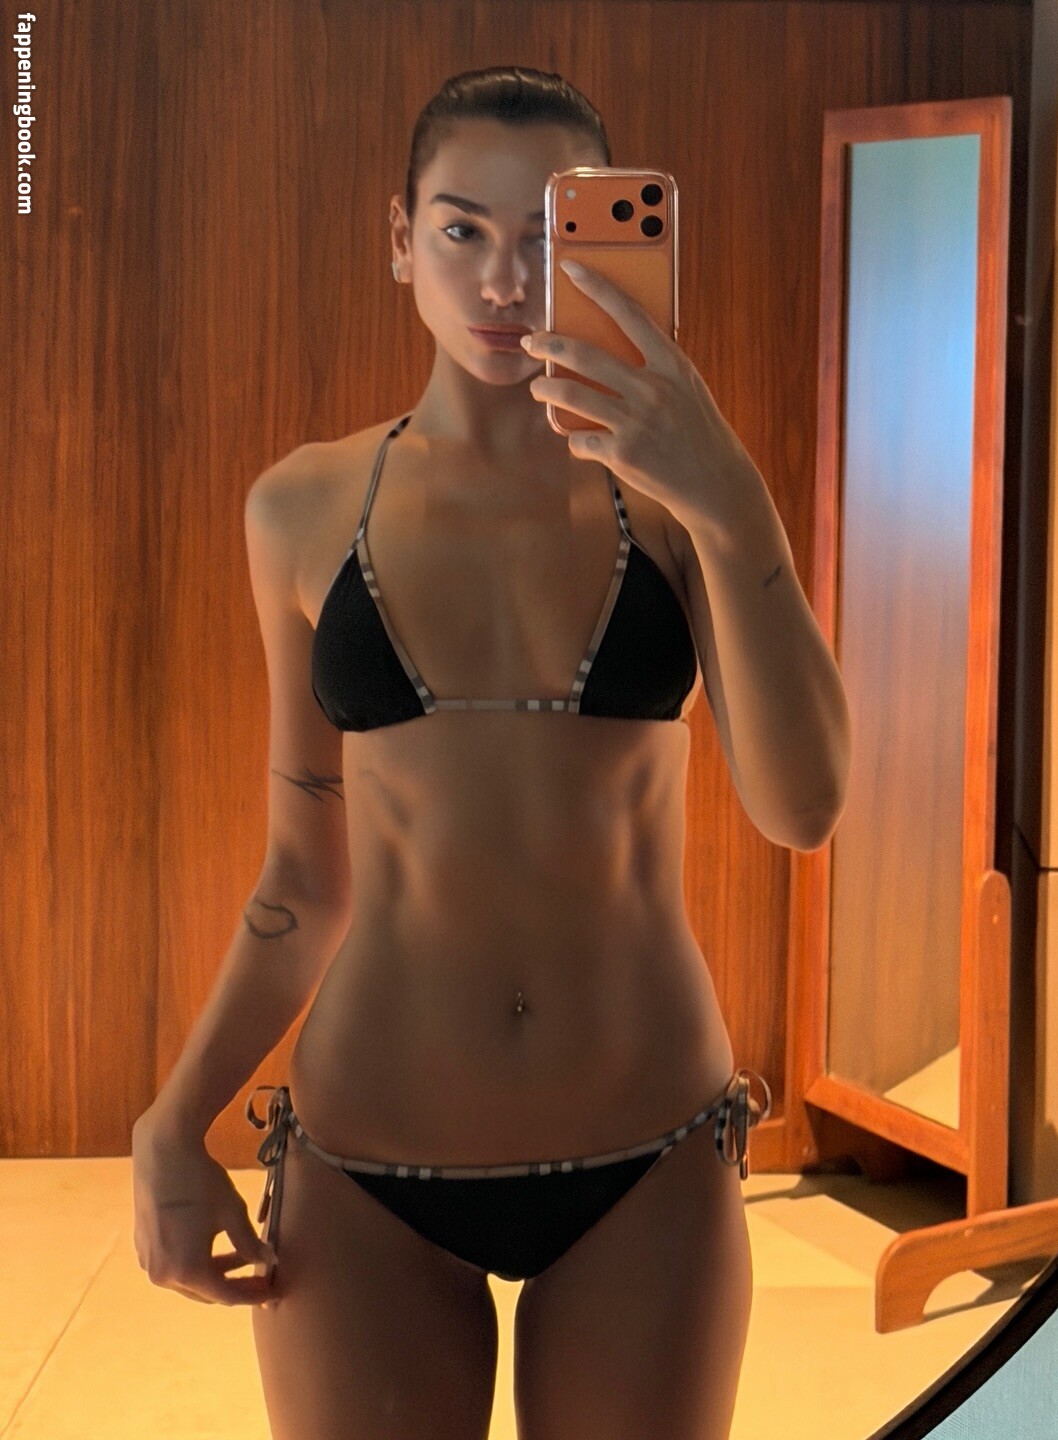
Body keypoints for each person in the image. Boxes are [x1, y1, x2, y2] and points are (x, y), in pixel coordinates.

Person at [131, 64, 847, 1440]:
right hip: (367, 1159)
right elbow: (303, 879)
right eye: (463, 230)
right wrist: (174, 1118)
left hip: (650, 1154)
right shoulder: (301, 508)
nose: (506, 282)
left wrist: (733, 501)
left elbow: (802, 806)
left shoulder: (682, 504)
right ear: (401, 240)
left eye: (546, 237)